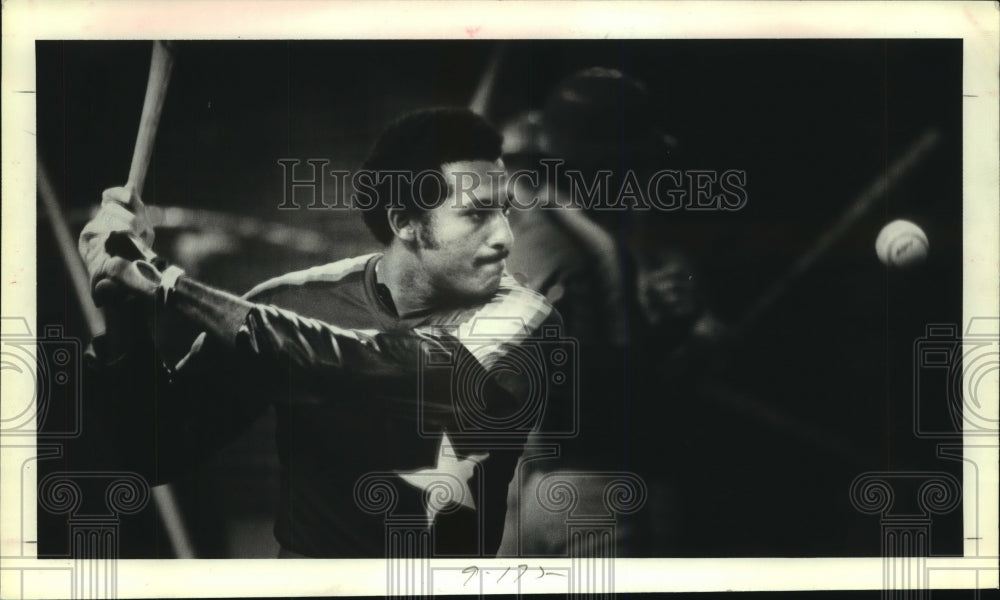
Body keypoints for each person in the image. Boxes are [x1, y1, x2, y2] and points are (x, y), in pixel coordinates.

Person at [78, 107, 564, 558]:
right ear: (406, 223)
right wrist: (124, 309)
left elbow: (357, 363)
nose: (504, 236)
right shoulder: (287, 304)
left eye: (506, 211)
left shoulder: (526, 320)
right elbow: (155, 451)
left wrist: (164, 281)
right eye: (477, 213)